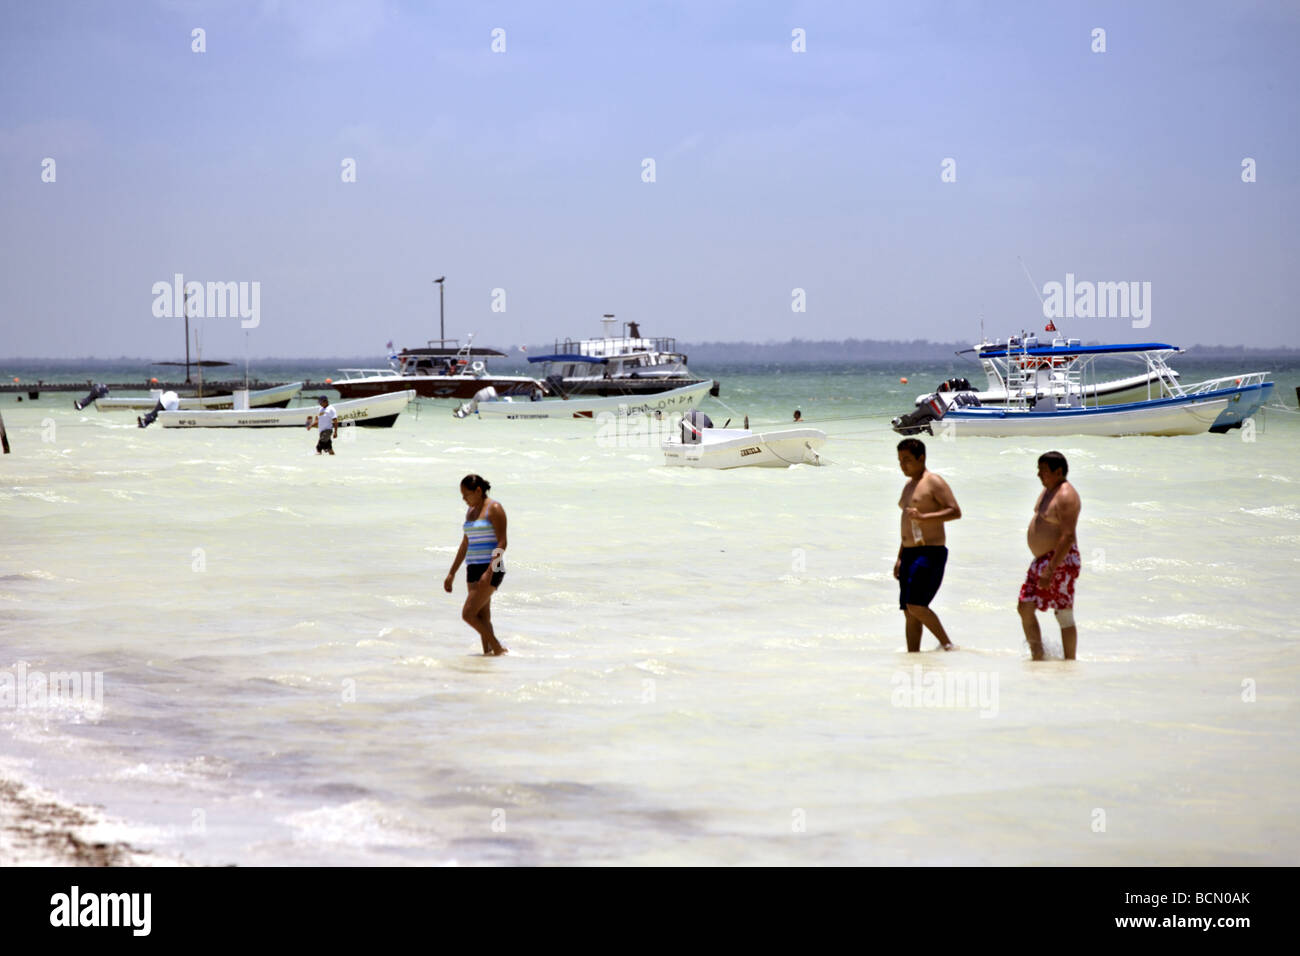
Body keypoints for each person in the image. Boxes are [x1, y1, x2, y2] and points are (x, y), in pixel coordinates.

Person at [894, 438, 962, 651]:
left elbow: (954, 511)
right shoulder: (908, 485)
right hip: (909, 553)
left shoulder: (934, 481)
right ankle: (913, 655)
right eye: (899, 460)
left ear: (921, 458)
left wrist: (924, 517)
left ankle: (948, 644)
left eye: (907, 460)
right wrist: (899, 556)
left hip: (930, 552)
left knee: (916, 605)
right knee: (908, 610)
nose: (902, 465)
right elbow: (907, 525)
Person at [1018, 451, 1082, 660]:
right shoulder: (1048, 490)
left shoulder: (1066, 495)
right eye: (1038, 469)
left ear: (1059, 471)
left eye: (1043, 471)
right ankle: (1038, 655)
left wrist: (1051, 568)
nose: (1038, 475)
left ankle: (1069, 661)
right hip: (1041, 560)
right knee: (1025, 606)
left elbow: (1068, 535)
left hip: (1059, 560)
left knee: (1063, 613)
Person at [444, 474, 508, 655]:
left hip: (491, 567)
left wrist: (489, 571)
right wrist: (452, 573)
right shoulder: (471, 512)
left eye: (466, 495)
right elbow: (465, 544)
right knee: (482, 615)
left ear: (478, 491)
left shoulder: (494, 508)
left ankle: (497, 648)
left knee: (468, 614)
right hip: (472, 567)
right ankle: (488, 655)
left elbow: (502, 543)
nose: (464, 499)